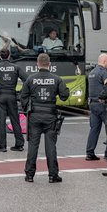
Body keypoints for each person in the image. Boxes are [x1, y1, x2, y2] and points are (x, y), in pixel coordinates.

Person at [21, 53, 69, 183]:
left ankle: (29, 175)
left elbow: (23, 97)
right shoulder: (56, 78)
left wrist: (27, 108)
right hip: (50, 116)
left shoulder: (31, 79)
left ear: (37, 64)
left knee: (33, 146)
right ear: (50, 65)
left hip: (34, 115)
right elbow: (65, 96)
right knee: (51, 147)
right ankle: (53, 175)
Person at [0, 49, 27, 152]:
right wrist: (21, 92)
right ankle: (19, 144)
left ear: (0, 57)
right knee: (15, 120)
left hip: (0, 95)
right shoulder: (16, 67)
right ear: (9, 56)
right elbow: (26, 79)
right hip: (12, 94)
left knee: (1, 122)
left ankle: (2, 146)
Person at [85, 53, 107, 161]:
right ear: (104, 61)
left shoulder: (92, 72)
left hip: (92, 104)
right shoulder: (104, 72)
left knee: (94, 129)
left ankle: (89, 153)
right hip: (102, 104)